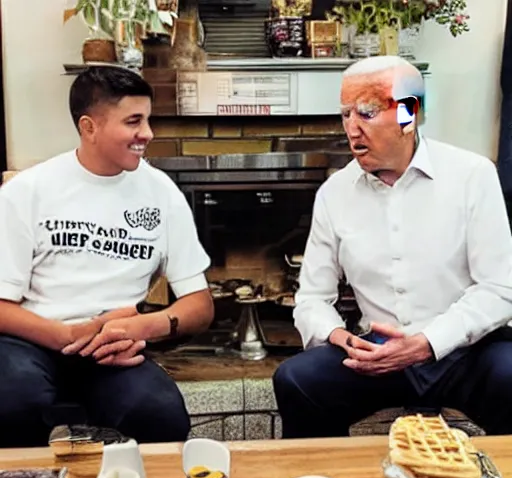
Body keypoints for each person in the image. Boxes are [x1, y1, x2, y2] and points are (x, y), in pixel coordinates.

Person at [273, 55, 512, 439]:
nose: (352, 128)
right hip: (377, 354)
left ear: (408, 114)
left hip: (465, 352)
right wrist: (342, 339)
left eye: (366, 112)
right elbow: (312, 299)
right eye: (345, 114)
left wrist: (426, 344)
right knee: (297, 380)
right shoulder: (335, 193)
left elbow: (500, 289)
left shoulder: (472, 176)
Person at [0, 66, 214, 447]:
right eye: (133, 121)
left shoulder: (161, 192)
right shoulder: (28, 191)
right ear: (89, 127)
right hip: (32, 340)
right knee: (14, 404)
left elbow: (200, 305)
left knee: (161, 413)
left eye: (148, 120)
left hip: (114, 347)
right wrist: (67, 335)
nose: (147, 134)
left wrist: (142, 328)